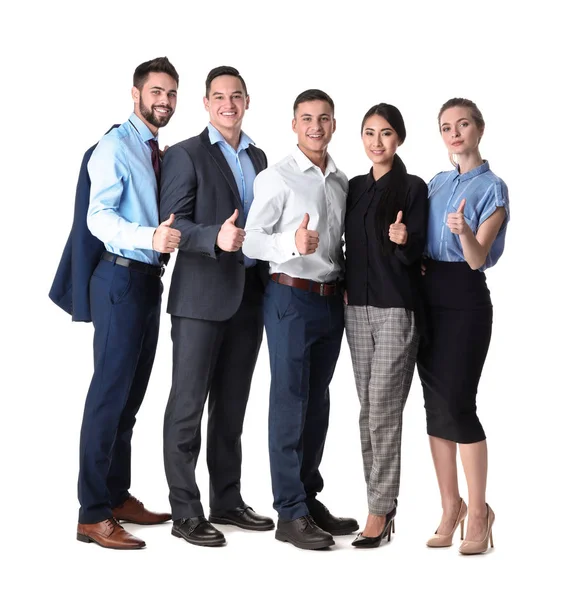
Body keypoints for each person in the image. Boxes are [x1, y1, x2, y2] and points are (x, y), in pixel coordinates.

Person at [159, 66, 273, 548]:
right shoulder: (185, 154)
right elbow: (173, 224)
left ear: (247, 101)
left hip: (249, 294)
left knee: (231, 406)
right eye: (219, 97)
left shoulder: (259, 155)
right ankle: (185, 511)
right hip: (200, 299)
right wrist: (215, 237)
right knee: (187, 408)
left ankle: (227, 500)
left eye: (237, 96)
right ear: (206, 104)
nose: (229, 104)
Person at [244, 89, 359, 551]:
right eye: (307, 118)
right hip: (290, 297)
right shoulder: (278, 178)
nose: (316, 126)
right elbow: (251, 241)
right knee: (289, 402)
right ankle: (288, 513)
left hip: (331, 301)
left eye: (324, 118)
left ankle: (309, 500)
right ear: (294, 125)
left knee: (318, 403)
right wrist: (292, 244)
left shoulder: (342, 181)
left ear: (334, 124)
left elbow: (339, 245)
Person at [75, 57, 181, 550]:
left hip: (146, 281)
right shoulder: (115, 147)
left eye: (170, 94)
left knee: (130, 399)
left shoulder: (154, 149)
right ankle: (92, 513)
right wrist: (149, 236)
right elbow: (99, 217)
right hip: (119, 279)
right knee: (107, 397)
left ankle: (116, 495)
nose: (163, 101)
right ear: (135, 94)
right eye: (156, 92)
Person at [417, 98, 509, 555]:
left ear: (479, 129)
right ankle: (449, 507)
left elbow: (476, 259)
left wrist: (463, 232)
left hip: (465, 301)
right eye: (446, 127)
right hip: (427, 297)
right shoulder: (436, 182)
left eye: (463, 124)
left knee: (459, 405)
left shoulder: (494, 188)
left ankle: (479, 512)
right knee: (435, 408)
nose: (455, 133)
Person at [344, 104, 428, 548]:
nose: (378, 142)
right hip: (355, 308)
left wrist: (404, 239)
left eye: (387, 133)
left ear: (400, 139)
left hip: (397, 308)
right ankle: (376, 502)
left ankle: (381, 509)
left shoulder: (413, 188)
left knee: (383, 409)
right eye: (370, 133)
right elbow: (346, 246)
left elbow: (418, 250)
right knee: (366, 412)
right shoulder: (354, 187)